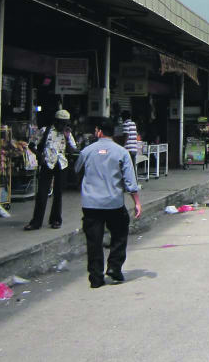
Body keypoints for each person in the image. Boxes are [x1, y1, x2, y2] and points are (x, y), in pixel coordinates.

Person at [75, 119, 142, 289]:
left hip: (91, 204)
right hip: (114, 203)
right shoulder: (122, 152)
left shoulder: (87, 151)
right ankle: (114, 266)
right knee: (120, 233)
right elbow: (130, 181)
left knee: (94, 241)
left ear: (98, 132)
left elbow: (76, 169)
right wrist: (137, 203)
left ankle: (95, 278)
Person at [24, 109, 78, 231]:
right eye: (61, 123)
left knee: (58, 194)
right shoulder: (45, 130)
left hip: (61, 165)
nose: (63, 126)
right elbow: (32, 145)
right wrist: (39, 155)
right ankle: (36, 222)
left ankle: (56, 220)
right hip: (47, 164)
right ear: (56, 121)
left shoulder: (67, 133)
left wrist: (67, 137)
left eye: (66, 123)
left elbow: (72, 150)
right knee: (42, 193)